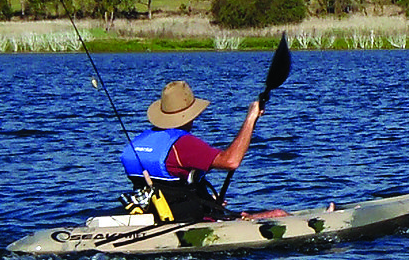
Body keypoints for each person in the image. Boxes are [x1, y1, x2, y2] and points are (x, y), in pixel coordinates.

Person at [119, 80, 289, 221]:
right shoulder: (183, 144)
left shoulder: (137, 143)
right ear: (190, 114)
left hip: (155, 213)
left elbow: (169, 188)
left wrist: (206, 199)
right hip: (187, 219)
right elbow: (231, 161)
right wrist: (251, 117)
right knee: (279, 214)